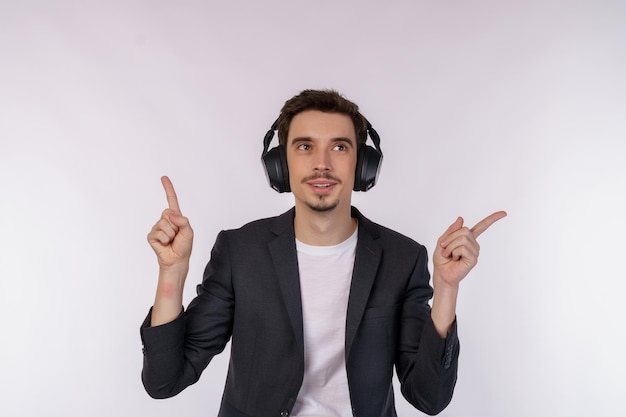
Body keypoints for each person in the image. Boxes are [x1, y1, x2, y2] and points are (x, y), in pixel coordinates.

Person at [140, 89, 506, 417]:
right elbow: (164, 381)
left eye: (340, 146)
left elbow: (429, 398)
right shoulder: (241, 251)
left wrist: (446, 289)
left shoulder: (402, 258)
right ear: (281, 164)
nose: (322, 163)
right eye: (305, 146)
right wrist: (171, 272)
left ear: (363, 165)